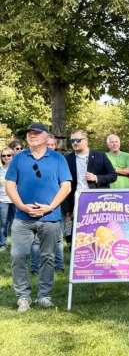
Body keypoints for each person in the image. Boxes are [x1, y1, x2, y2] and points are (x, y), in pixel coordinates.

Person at [4, 122, 71, 311]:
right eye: (29, 133)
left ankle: (44, 296)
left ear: (46, 136)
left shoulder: (58, 158)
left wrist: (50, 207)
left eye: (36, 133)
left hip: (50, 217)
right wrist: (21, 206)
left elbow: (66, 186)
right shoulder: (19, 158)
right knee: (18, 256)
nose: (31, 135)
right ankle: (23, 297)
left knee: (48, 257)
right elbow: (10, 185)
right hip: (22, 218)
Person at [63, 130, 117, 219]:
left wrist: (96, 178)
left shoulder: (100, 156)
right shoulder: (67, 159)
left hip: (98, 199)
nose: (75, 143)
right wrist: (68, 208)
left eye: (78, 140)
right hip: (77, 199)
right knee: (78, 226)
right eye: (72, 141)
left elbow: (113, 176)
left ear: (86, 141)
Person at [31, 134, 65, 272]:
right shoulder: (33, 160)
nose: (50, 147)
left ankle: (59, 266)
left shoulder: (60, 161)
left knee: (57, 239)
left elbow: (65, 185)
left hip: (55, 205)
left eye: (52, 145)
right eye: (47, 144)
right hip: (36, 204)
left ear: (55, 146)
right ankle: (35, 267)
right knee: (36, 239)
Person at [0, 146, 14, 250]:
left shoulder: (17, 169)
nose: (6, 157)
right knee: (3, 223)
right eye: (3, 155)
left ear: (13, 156)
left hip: (15, 200)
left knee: (17, 223)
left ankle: (17, 245)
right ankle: (3, 244)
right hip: (3, 200)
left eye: (9, 155)